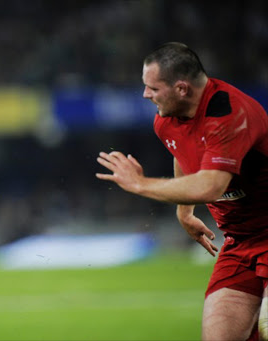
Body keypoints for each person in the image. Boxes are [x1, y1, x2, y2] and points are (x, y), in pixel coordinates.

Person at [95, 42, 268, 340]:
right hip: (240, 243)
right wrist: (183, 211)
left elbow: (211, 186)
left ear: (182, 89)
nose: (145, 95)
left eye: (153, 88)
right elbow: (184, 152)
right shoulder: (166, 121)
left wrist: (141, 184)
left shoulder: (229, 114)